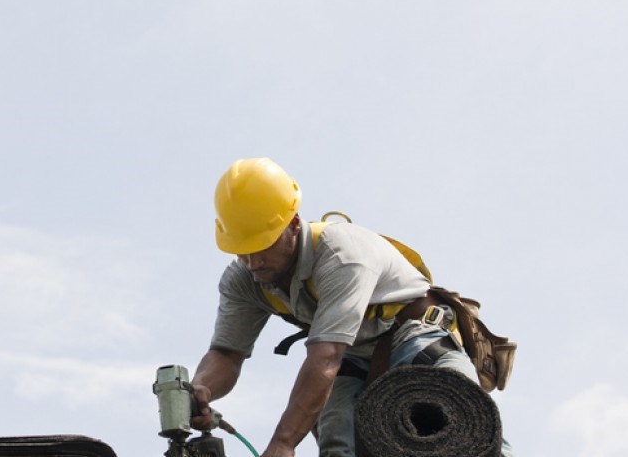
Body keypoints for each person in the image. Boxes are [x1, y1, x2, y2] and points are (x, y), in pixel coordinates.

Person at [190, 158, 514, 457]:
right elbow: (227, 354)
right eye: (241, 250)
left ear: (293, 224)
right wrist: (203, 387)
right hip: (354, 355)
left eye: (263, 245)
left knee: (472, 427)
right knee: (337, 441)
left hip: (417, 335)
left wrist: (283, 444)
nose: (253, 261)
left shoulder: (341, 254)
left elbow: (326, 356)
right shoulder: (243, 279)